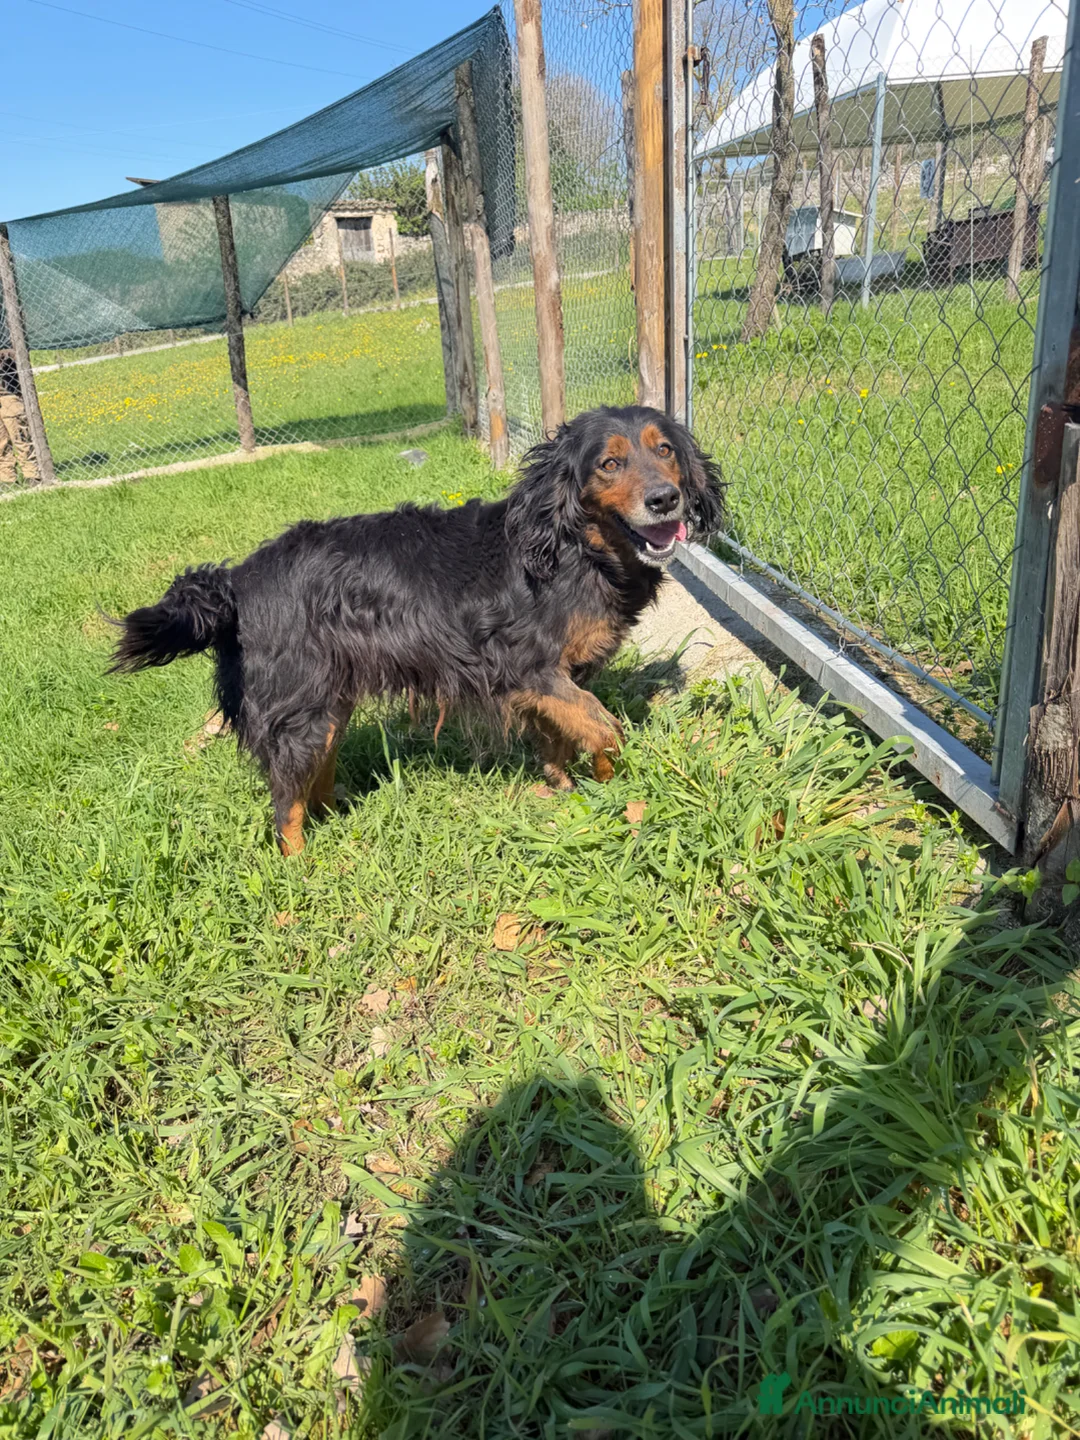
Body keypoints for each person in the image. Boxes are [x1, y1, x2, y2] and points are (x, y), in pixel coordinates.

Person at [0, 347, 40, 484]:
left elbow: (15, 351)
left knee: (20, 436)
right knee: (1, 443)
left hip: (9, 392)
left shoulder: (7, 335)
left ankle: (32, 474)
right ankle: (7, 478)